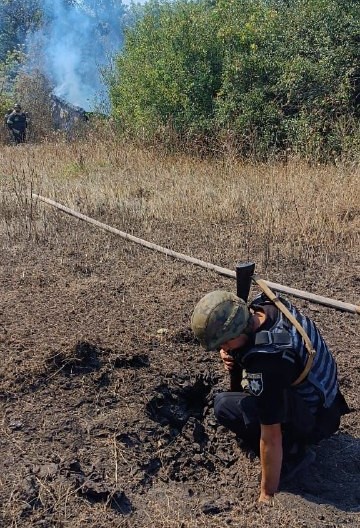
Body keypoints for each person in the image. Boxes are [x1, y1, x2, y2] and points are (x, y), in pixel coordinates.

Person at [191, 290, 350, 504]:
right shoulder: (265, 304)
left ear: (238, 333)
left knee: (224, 406)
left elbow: (271, 436)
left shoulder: (267, 362)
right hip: (327, 404)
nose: (223, 349)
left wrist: (267, 494)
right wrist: (232, 352)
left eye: (224, 343)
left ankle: (294, 454)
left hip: (315, 420)